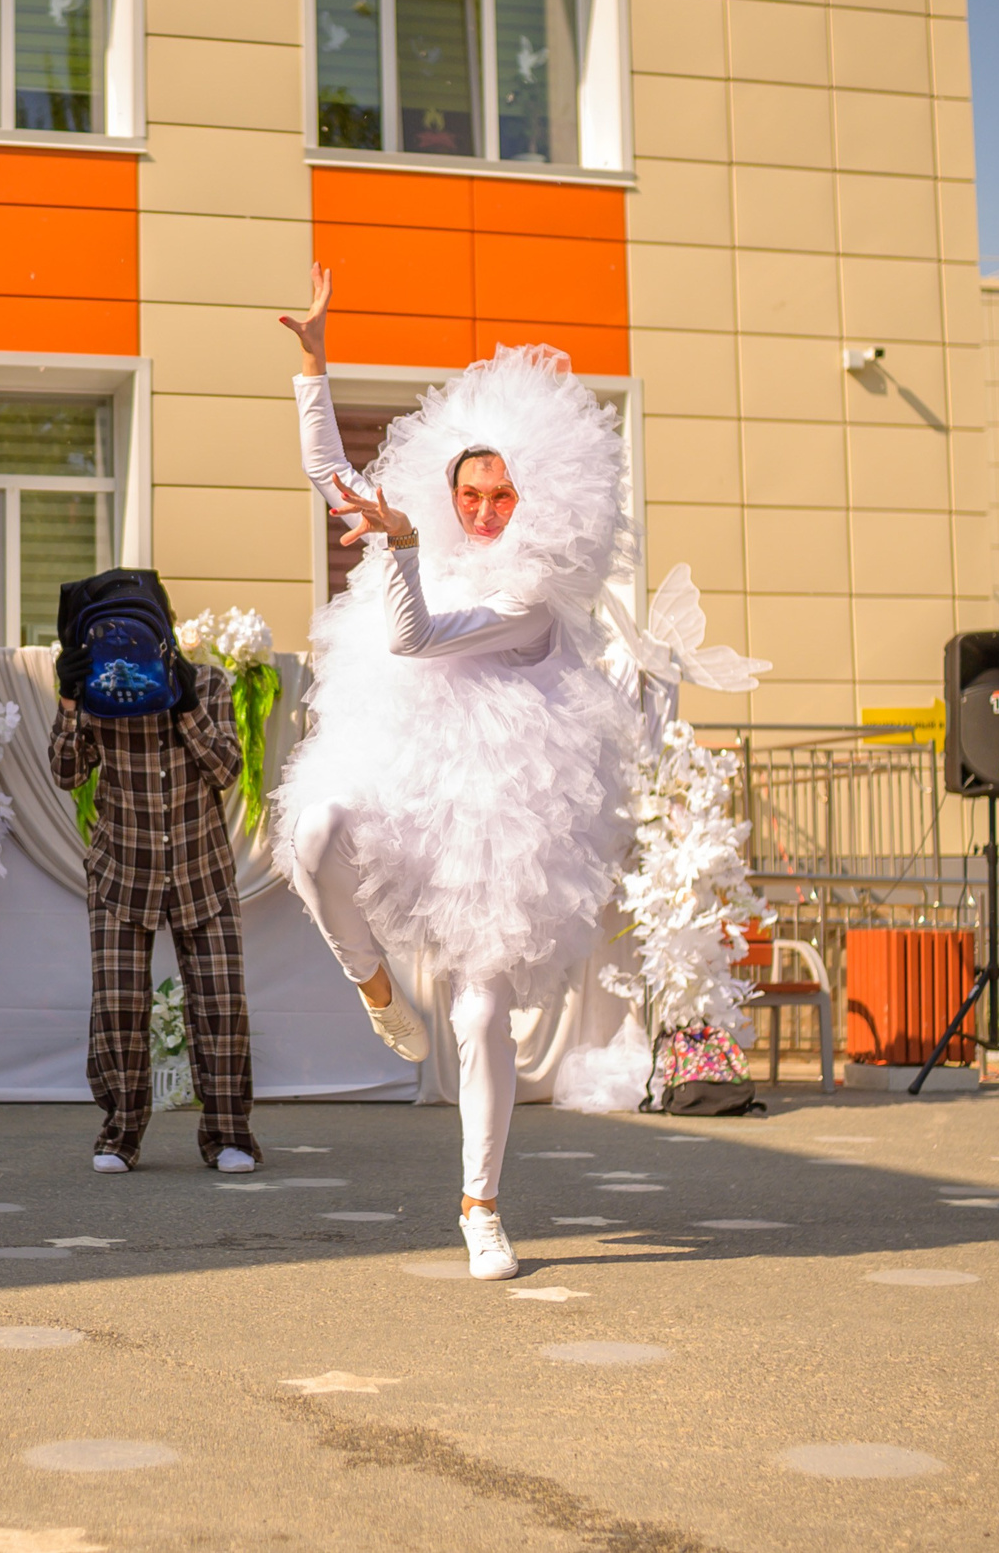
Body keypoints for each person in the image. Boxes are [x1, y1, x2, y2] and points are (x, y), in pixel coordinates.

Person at [270, 267, 633, 1280]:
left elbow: (417, 634)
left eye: (500, 494)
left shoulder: (530, 596)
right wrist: (314, 362)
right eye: (468, 493)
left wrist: (399, 548)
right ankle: (374, 981)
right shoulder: (423, 531)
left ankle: (480, 1204)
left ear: (534, 498)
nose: (481, 510)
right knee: (313, 830)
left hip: (499, 799)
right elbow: (330, 473)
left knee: (478, 1013)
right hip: (403, 757)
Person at [51, 575, 262, 1175]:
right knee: (117, 1009)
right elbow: (67, 773)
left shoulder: (211, 683)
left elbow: (226, 771)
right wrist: (69, 702)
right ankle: (119, 1135)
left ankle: (229, 1135)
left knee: (221, 1006)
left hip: (202, 870)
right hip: (121, 869)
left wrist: (186, 703)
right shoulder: (97, 691)